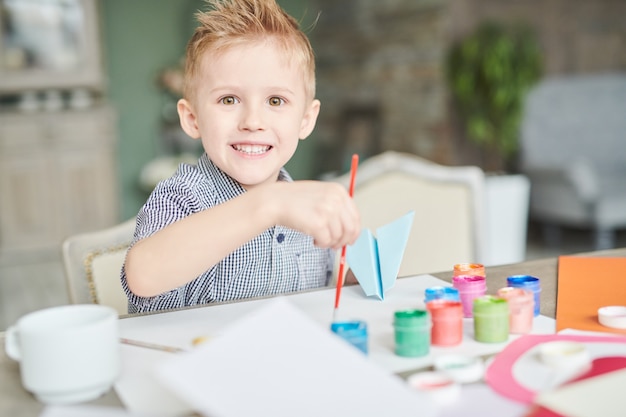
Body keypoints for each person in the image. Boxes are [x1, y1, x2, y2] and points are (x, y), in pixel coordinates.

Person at [121, 0, 361, 313]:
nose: (252, 120)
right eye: (229, 99)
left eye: (275, 100)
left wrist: (358, 276)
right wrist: (268, 204)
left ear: (306, 119)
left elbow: (326, 295)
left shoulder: (307, 211)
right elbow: (143, 274)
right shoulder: (182, 197)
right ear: (192, 118)